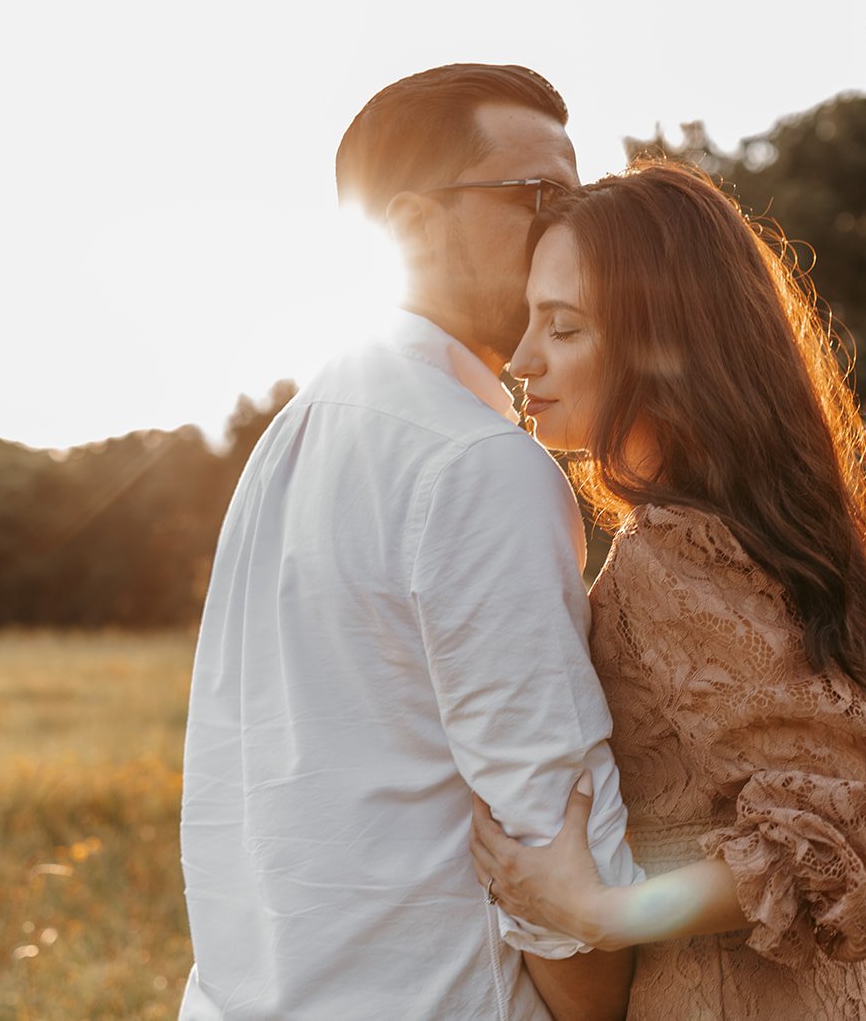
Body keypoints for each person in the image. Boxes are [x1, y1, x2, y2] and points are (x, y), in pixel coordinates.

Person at [178, 64, 644, 1021]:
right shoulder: (476, 464)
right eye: (540, 196)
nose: (574, 225)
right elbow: (549, 820)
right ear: (411, 225)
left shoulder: (291, 438)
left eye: (581, 192)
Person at [469, 159, 866, 1019]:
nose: (522, 358)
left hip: (747, 991)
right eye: (527, 321)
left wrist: (600, 912)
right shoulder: (741, 524)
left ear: (666, 346)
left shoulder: (674, 552)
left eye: (563, 328)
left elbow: (855, 816)